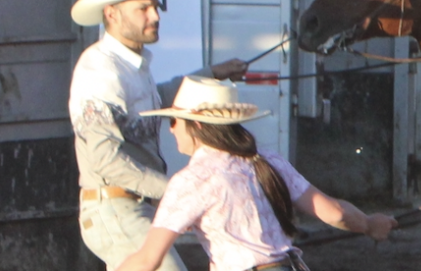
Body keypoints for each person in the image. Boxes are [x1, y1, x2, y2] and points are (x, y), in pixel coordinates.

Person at [70, 0, 253, 271]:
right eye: (143, 8)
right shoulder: (100, 70)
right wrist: (173, 192)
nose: (155, 16)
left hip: (126, 208)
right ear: (111, 14)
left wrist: (213, 74)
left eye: (155, 7)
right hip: (115, 208)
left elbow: (157, 98)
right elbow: (105, 159)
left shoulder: (127, 65)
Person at [118, 77, 396, 271]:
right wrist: (369, 223)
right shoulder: (268, 160)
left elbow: (148, 260)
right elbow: (334, 212)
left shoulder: (192, 180)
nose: (171, 129)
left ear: (198, 126)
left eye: (174, 121)